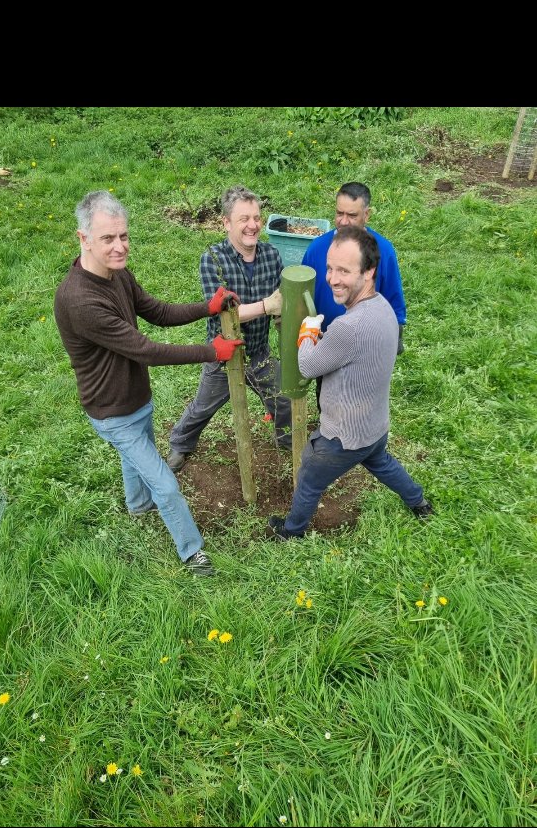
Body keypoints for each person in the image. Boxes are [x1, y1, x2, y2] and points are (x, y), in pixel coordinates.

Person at [54, 190, 244, 577]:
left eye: (123, 236)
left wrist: (206, 307)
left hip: (136, 397)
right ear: (84, 238)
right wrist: (213, 351)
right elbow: (146, 350)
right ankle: (193, 551)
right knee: (166, 484)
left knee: (135, 456)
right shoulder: (79, 300)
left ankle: (138, 506)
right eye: (108, 238)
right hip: (110, 410)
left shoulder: (117, 274)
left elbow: (156, 312)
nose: (119, 246)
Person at [267, 226, 433, 541]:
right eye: (330, 268)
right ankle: (419, 502)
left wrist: (308, 333)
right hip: (374, 426)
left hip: (343, 437)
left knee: (310, 477)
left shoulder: (347, 328)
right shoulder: (382, 306)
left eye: (344, 270)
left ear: (369, 272)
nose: (332, 278)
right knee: (381, 462)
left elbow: (307, 364)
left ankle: (292, 532)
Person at [167, 185, 292, 472]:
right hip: (224, 354)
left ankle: (287, 441)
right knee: (202, 407)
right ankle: (179, 444)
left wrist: (281, 316)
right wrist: (266, 306)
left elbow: (279, 301)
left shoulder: (271, 256)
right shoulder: (213, 260)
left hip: (258, 353)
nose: (252, 225)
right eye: (243, 219)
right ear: (226, 223)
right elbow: (227, 313)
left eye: (256, 218)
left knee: (283, 399)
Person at [302, 181, 407, 354]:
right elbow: (303, 298)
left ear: (367, 215)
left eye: (352, 215)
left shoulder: (383, 251)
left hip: (366, 346)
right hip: (326, 344)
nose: (343, 221)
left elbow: (393, 302)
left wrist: (393, 339)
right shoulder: (317, 248)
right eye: (339, 213)